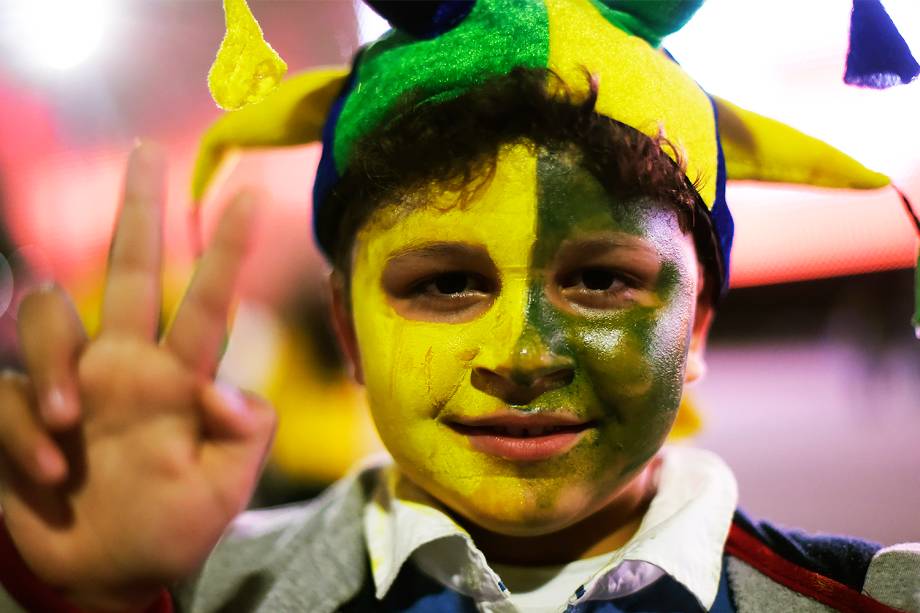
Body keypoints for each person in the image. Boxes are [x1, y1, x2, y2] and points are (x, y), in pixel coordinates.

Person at [1, 1, 919, 611]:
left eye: (601, 280)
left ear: (701, 322)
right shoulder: (183, 589)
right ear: (346, 328)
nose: (521, 354)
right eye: (444, 283)